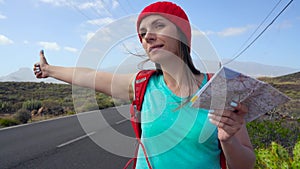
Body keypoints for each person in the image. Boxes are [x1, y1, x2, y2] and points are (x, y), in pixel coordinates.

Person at [33, 1, 256, 169]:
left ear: (183, 35)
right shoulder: (142, 84)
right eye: (142, 33)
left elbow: (245, 164)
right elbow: (90, 76)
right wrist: (49, 70)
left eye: (158, 25)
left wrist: (228, 141)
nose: (147, 36)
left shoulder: (220, 89)